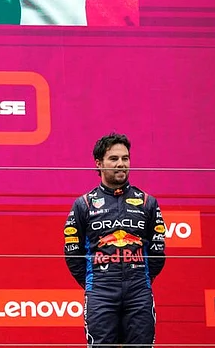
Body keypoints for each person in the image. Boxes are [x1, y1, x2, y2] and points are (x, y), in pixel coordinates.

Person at [64, 133, 166, 347]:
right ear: (99, 163)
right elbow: (73, 254)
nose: (121, 164)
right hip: (100, 292)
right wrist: (95, 283)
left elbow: (157, 252)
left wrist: (140, 279)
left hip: (139, 291)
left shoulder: (148, 202)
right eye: (114, 159)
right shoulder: (83, 205)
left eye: (125, 158)